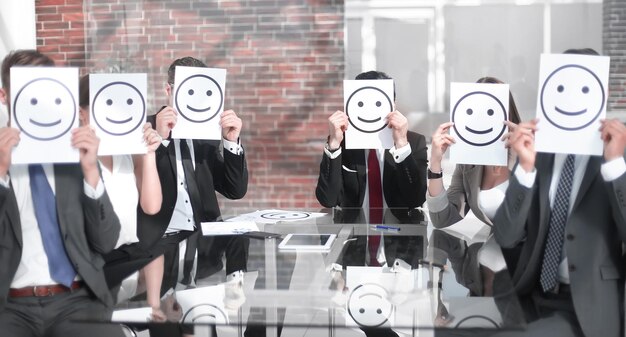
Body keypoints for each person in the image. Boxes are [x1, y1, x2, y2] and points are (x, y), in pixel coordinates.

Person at [493, 49, 626, 337]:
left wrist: (615, 165)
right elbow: (506, 235)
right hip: (533, 297)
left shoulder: (617, 154)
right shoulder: (540, 154)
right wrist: (525, 169)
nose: (571, 100)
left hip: (589, 307)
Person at [0, 50, 123, 336]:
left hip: (76, 299)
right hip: (10, 306)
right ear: (4, 95)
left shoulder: (74, 153)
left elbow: (106, 242)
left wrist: (91, 171)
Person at [138, 56, 249, 295]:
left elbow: (235, 190)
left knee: (240, 231)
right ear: (169, 90)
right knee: (183, 316)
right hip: (162, 236)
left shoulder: (205, 134)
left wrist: (231, 142)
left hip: (203, 233)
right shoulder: (144, 128)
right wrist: (160, 138)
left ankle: (234, 291)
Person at [78, 75, 167, 320]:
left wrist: (148, 154)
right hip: (91, 274)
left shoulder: (128, 152)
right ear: (82, 113)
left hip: (127, 269)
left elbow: (152, 206)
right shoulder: (73, 154)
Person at [427, 76, 522, 295]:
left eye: (490, 108)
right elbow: (443, 218)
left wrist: (524, 161)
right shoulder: (469, 162)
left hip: (528, 263)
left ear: (506, 110)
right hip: (492, 256)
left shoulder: (529, 152)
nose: (482, 117)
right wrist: (435, 162)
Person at [315, 70, 428, 212]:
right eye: (361, 103)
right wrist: (334, 144)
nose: (370, 111)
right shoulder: (343, 143)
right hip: (355, 229)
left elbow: (415, 199)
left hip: (399, 230)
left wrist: (402, 145)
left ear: (393, 104)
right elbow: (328, 199)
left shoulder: (414, 142)